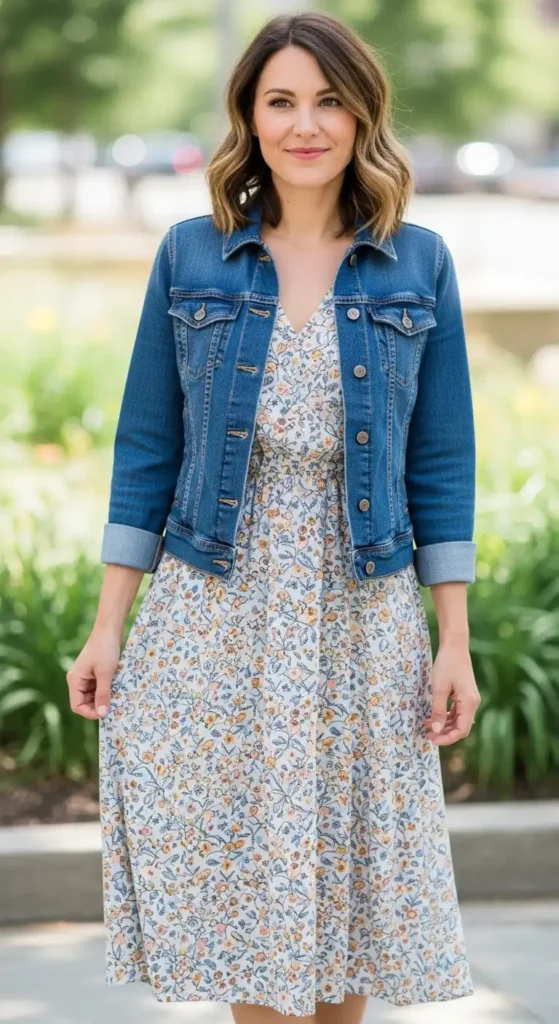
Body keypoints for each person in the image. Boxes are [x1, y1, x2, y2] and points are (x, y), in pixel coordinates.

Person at [67, 10, 481, 1024]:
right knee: (251, 916)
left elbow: (441, 461)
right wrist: (108, 624)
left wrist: (453, 640)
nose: (306, 124)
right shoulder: (192, 257)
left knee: (344, 909)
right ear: (249, 120)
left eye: (329, 100)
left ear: (362, 115)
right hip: (218, 612)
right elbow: (146, 451)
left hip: (359, 612)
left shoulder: (415, 263)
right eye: (281, 101)